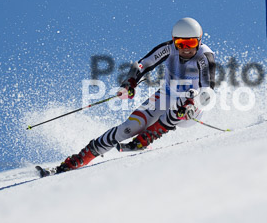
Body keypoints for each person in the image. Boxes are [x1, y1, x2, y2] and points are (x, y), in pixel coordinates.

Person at [56, 17, 216, 173]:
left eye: (191, 43)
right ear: (174, 40)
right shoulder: (168, 48)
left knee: (188, 97)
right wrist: (130, 81)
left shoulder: (205, 57)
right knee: (127, 128)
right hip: (165, 95)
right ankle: (78, 159)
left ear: (199, 41)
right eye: (181, 43)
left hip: (192, 107)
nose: (185, 48)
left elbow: (207, 90)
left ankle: (147, 137)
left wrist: (192, 103)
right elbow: (142, 64)